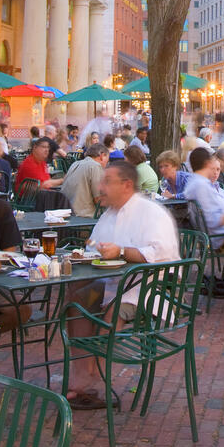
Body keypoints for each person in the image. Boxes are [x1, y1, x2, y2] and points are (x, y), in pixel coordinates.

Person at [65, 160, 180, 409]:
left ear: (126, 185)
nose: (100, 186)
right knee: (76, 299)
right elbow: (93, 247)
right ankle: (83, 372)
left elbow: (161, 254)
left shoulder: (152, 213)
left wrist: (121, 252)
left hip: (149, 287)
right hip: (111, 282)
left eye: (107, 182)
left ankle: (95, 381)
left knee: (113, 311)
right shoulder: (109, 214)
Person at [183, 148, 224, 249]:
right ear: (208, 163)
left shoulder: (193, 183)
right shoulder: (202, 186)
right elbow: (214, 221)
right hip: (222, 240)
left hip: (216, 237)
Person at [61, 142, 108, 218]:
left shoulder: (75, 164)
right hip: (83, 216)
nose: (106, 164)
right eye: (107, 160)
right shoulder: (95, 166)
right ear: (102, 156)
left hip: (67, 213)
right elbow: (98, 200)